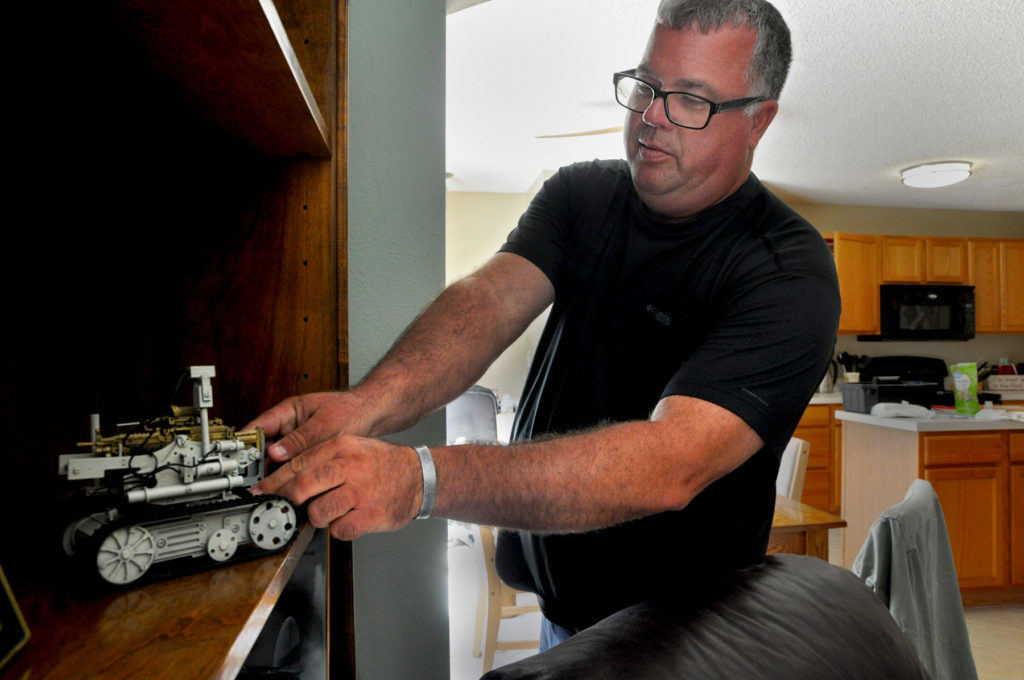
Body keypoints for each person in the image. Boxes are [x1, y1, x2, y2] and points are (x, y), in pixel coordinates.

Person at [249, 0, 840, 645]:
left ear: (758, 121)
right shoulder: (580, 195)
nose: (651, 117)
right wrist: (363, 407)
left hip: (684, 642)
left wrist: (419, 479)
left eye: (691, 101)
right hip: (563, 617)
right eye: (646, 86)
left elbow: (669, 464)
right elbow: (488, 301)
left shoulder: (789, 271)